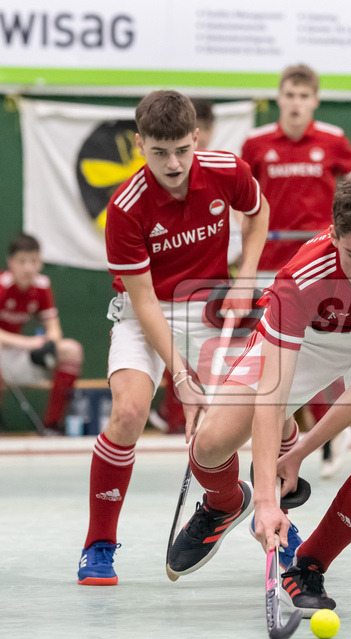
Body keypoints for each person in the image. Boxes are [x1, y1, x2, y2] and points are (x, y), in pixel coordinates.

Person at [166, 173, 351, 616]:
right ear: (334, 234)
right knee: (210, 443)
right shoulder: (301, 276)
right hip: (315, 336)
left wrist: (303, 451)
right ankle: (227, 504)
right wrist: (264, 499)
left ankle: (309, 564)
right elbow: (272, 392)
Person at [77, 90, 269, 586]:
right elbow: (143, 302)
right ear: (140, 144)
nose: (173, 163)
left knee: (249, 413)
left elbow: (258, 212)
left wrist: (246, 275)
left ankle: (252, 508)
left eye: (182, 149)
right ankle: (99, 543)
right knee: (127, 414)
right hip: (146, 315)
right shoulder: (125, 208)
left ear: (196, 138)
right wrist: (181, 376)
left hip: (210, 307)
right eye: (159, 152)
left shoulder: (226, 170)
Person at [242, 63, 351, 474]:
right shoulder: (256, 144)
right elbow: (245, 205)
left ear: (314, 100)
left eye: (303, 96)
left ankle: (329, 430)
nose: (295, 103)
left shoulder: (333, 140)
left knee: (317, 344)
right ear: (279, 97)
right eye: (289, 95)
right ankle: (311, 434)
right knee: (282, 351)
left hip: (321, 262)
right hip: (270, 266)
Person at [150, 97, 219, 437]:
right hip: (172, 284)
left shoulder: (221, 173)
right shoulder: (147, 192)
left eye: (205, 130)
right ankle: (175, 417)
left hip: (212, 280)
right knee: (174, 350)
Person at [0, 234, 83, 433]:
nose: (28, 268)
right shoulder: (2, 286)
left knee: (72, 350)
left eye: (33, 261)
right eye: (22, 262)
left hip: (20, 358)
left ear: (40, 263)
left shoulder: (42, 286)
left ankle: (52, 424)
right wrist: (29, 343)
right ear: (10, 263)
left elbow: (54, 328)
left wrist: (50, 344)